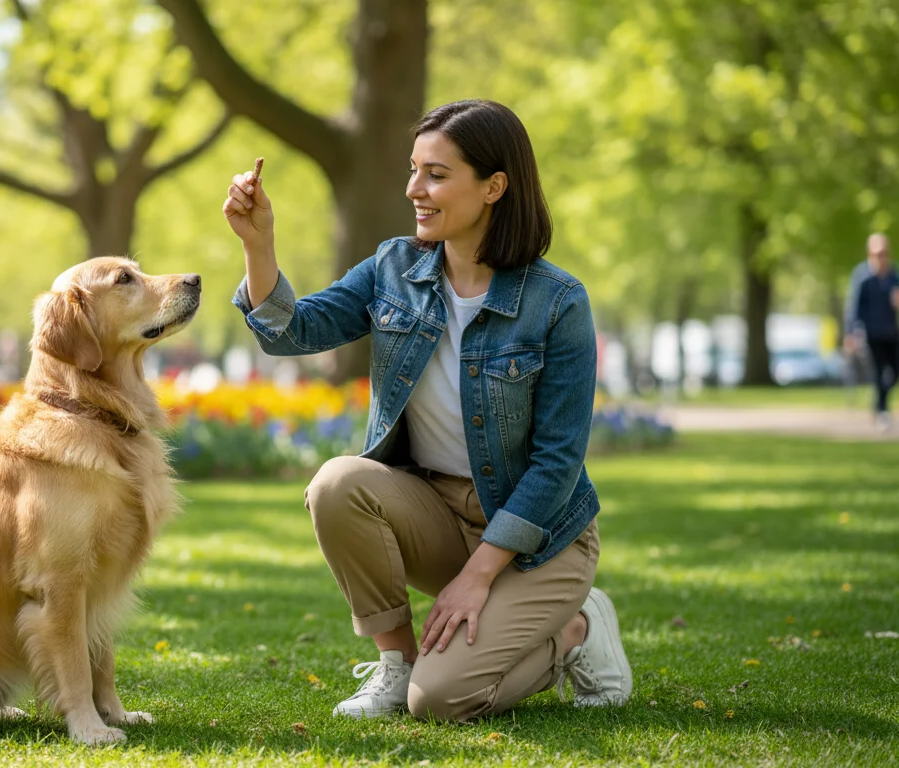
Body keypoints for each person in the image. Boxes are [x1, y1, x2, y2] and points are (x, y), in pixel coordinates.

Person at [225, 100, 631, 722]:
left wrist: (479, 575)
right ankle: (397, 665)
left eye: (436, 175)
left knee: (441, 703)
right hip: (434, 512)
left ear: (494, 186)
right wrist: (260, 244)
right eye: (414, 171)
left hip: (538, 539)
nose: (415, 189)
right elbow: (292, 332)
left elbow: (556, 463)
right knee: (338, 483)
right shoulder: (393, 268)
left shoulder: (557, 303)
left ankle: (575, 631)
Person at [851, 234, 899, 430]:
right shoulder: (863, 277)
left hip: (893, 332)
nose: (881, 257)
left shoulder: (894, 275)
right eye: (877, 253)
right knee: (879, 373)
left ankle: (878, 403)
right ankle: (882, 411)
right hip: (872, 333)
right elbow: (854, 307)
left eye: (884, 253)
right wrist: (852, 332)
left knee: (895, 372)